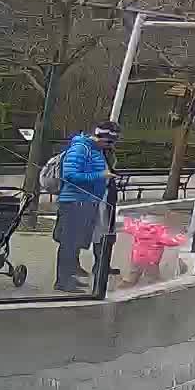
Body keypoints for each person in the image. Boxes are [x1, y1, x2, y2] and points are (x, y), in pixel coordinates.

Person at [54, 120, 117, 292]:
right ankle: (62, 280)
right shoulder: (81, 148)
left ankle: (69, 277)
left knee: (74, 243)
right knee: (69, 242)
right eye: (108, 142)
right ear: (100, 137)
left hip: (86, 202)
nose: (109, 146)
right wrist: (100, 175)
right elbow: (70, 176)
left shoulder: (95, 150)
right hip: (74, 201)